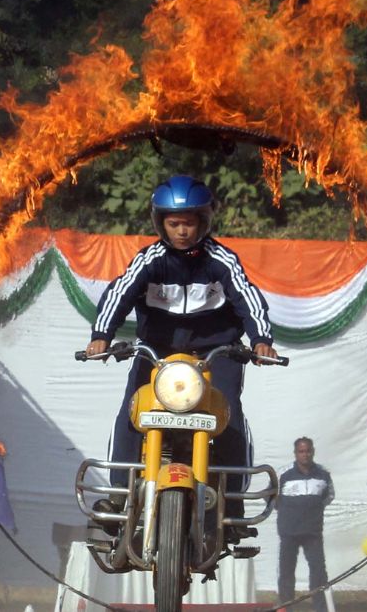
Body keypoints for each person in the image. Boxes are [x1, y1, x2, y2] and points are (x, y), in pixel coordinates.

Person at [85, 175, 278, 530]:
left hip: (215, 353)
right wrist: (101, 335)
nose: (182, 231)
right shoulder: (151, 260)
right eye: (174, 223)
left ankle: (231, 503)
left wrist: (261, 340)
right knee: (133, 411)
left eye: (188, 222)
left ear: (203, 221)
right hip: (156, 353)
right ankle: (121, 493)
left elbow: (248, 297)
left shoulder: (222, 260)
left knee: (228, 416)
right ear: (161, 223)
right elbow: (119, 293)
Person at [276, 437, 334, 612]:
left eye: (308, 451)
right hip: (289, 532)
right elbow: (273, 498)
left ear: (313, 451)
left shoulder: (324, 474)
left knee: (318, 573)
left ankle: (320, 609)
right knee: (286, 573)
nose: (305, 455)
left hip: (312, 533)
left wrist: (310, 509)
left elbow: (328, 497)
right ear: (295, 454)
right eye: (301, 451)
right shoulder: (283, 474)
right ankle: (287, 608)